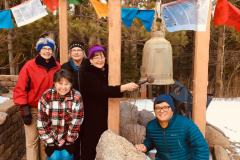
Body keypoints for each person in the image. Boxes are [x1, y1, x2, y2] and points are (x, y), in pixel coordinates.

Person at [79, 44, 139, 160]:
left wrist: (124, 88)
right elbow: (102, 90)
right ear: (90, 60)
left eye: (102, 56)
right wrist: (124, 87)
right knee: (91, 146)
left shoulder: (105, 71)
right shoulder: (86, 73)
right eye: (96, 57)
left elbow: (110, 89)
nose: (100, 59)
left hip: (104, 114)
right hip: (91, 116)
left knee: (104, 144)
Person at [13, 37, 61, 160]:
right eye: (44, 48)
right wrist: (23, 107)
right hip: (32, 109)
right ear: (39, 50)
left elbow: (62, 86)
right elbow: (20, 87)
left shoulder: (57, 67)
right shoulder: (29, 66)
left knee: (46, 141)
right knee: (32, 142)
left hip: (50, 110)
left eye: (49, 48)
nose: (47, 51)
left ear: (53, 50)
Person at [135, 94, 210, 160]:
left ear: (172, 109)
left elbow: (201, 147)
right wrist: (145, 146)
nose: (161, 111)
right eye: (157, 108)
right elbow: (150, 141)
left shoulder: (186, 124)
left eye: (165, 107)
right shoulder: (151, 126)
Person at [37, 69, 84, 160]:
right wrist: (49, 142)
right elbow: (41, 122)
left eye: (66, 84)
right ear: (54, 83)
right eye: (60, 83)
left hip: (68, 138)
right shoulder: (46, 96)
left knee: (66, 156)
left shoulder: (76, 97)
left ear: (71, 84)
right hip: (51, 137)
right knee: (55, 157)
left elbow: (76, 121)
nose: (63, 87)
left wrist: (69, 142)